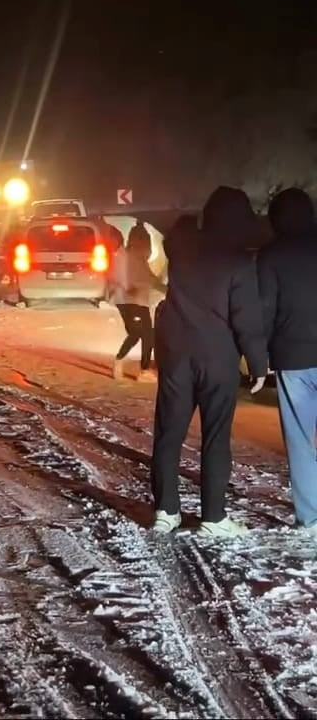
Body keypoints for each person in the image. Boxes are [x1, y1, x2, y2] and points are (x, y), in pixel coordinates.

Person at [151, 188, 267, 537]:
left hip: (176, 353)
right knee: (216, 436)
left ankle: (165, 510)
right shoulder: (238, 261)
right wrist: (258, 363)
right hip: (217, 356)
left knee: (169, 434)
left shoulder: (183, 249)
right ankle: (213, 518)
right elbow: (246, 316)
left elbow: (176, 230)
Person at [258, 188, 317, 533]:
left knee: (299, 438)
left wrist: (259, 353)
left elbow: (265, 308)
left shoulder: (271, 255)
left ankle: (310, 517)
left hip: (292, 356)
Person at [112, 224, 164, 383]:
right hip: (130, 303)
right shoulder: (129, 257)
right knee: (144, 334)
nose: (148, 248)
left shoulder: (139, 259)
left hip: (138, 303)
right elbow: (120, 278)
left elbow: (152, 280)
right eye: (146, 242)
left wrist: (169, 290)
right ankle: (143, 370)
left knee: (142, 334)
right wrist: (128, 288)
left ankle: (123, 363)